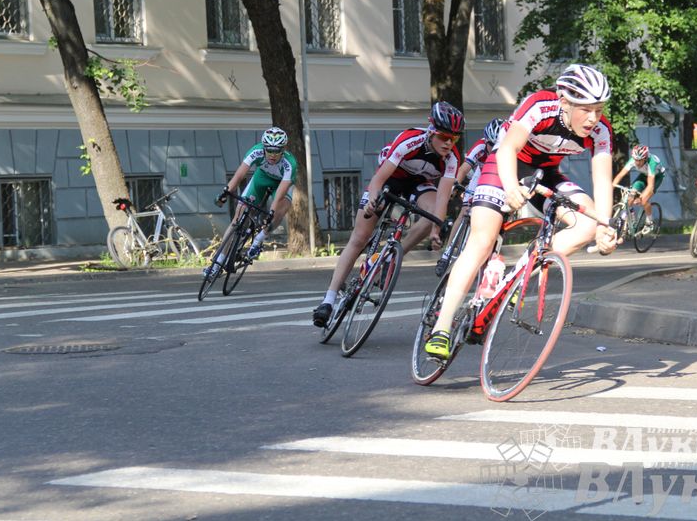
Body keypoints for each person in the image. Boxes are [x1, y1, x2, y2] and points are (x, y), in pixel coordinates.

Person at [424, 64, 619, 359]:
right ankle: (441, 327)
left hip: (546, 174)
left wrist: (605, 226)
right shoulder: (541, 105)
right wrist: (512, 187)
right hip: (505, 165)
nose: (594, 118)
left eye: (599, 109)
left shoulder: (601, 130)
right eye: (586, 109)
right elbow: (507, 149)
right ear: (564, 101)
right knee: (482, 240)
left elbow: (602, 178)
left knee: (589, 222)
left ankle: (523, 270)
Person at [312, 102, 465, 327]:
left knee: (432, 215)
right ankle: (329, 300)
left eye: (455, 138)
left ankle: (392, 256)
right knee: (359, 238)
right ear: (432, 131)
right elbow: (378, 179)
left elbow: (442, 197)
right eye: (444, 137)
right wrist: (372, 200)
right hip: (391, 177)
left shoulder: (451, 158)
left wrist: (435, 229)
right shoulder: (409, 140)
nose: (449, 143)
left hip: (420, 183)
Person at [209, 127, 297, 272]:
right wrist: (226, 192)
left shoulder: (290, 163)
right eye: (269, 150)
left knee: (281, 209)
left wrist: (272, 212)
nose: (273, 155)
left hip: (280, 184)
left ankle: (259, 239)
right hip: (261, 179)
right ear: (264, 148)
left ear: (283, 149)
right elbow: (239, 175)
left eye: (277, 151)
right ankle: (217, 263)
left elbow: (281, 193)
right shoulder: (256, 151)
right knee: (236, 220)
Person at [612, 144, 666, 234]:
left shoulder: (651, 163)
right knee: (630, 196)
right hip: (643, 176)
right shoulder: (633, 160)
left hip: (656, 177)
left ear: (644, 158)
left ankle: (649, 222)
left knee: (643, 200)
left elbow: (650, 186)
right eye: (635, 160)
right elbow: (621, 174)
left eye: (639, 160)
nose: (637, 163)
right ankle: (632, 220)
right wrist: (612, 186)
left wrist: (642, 195)